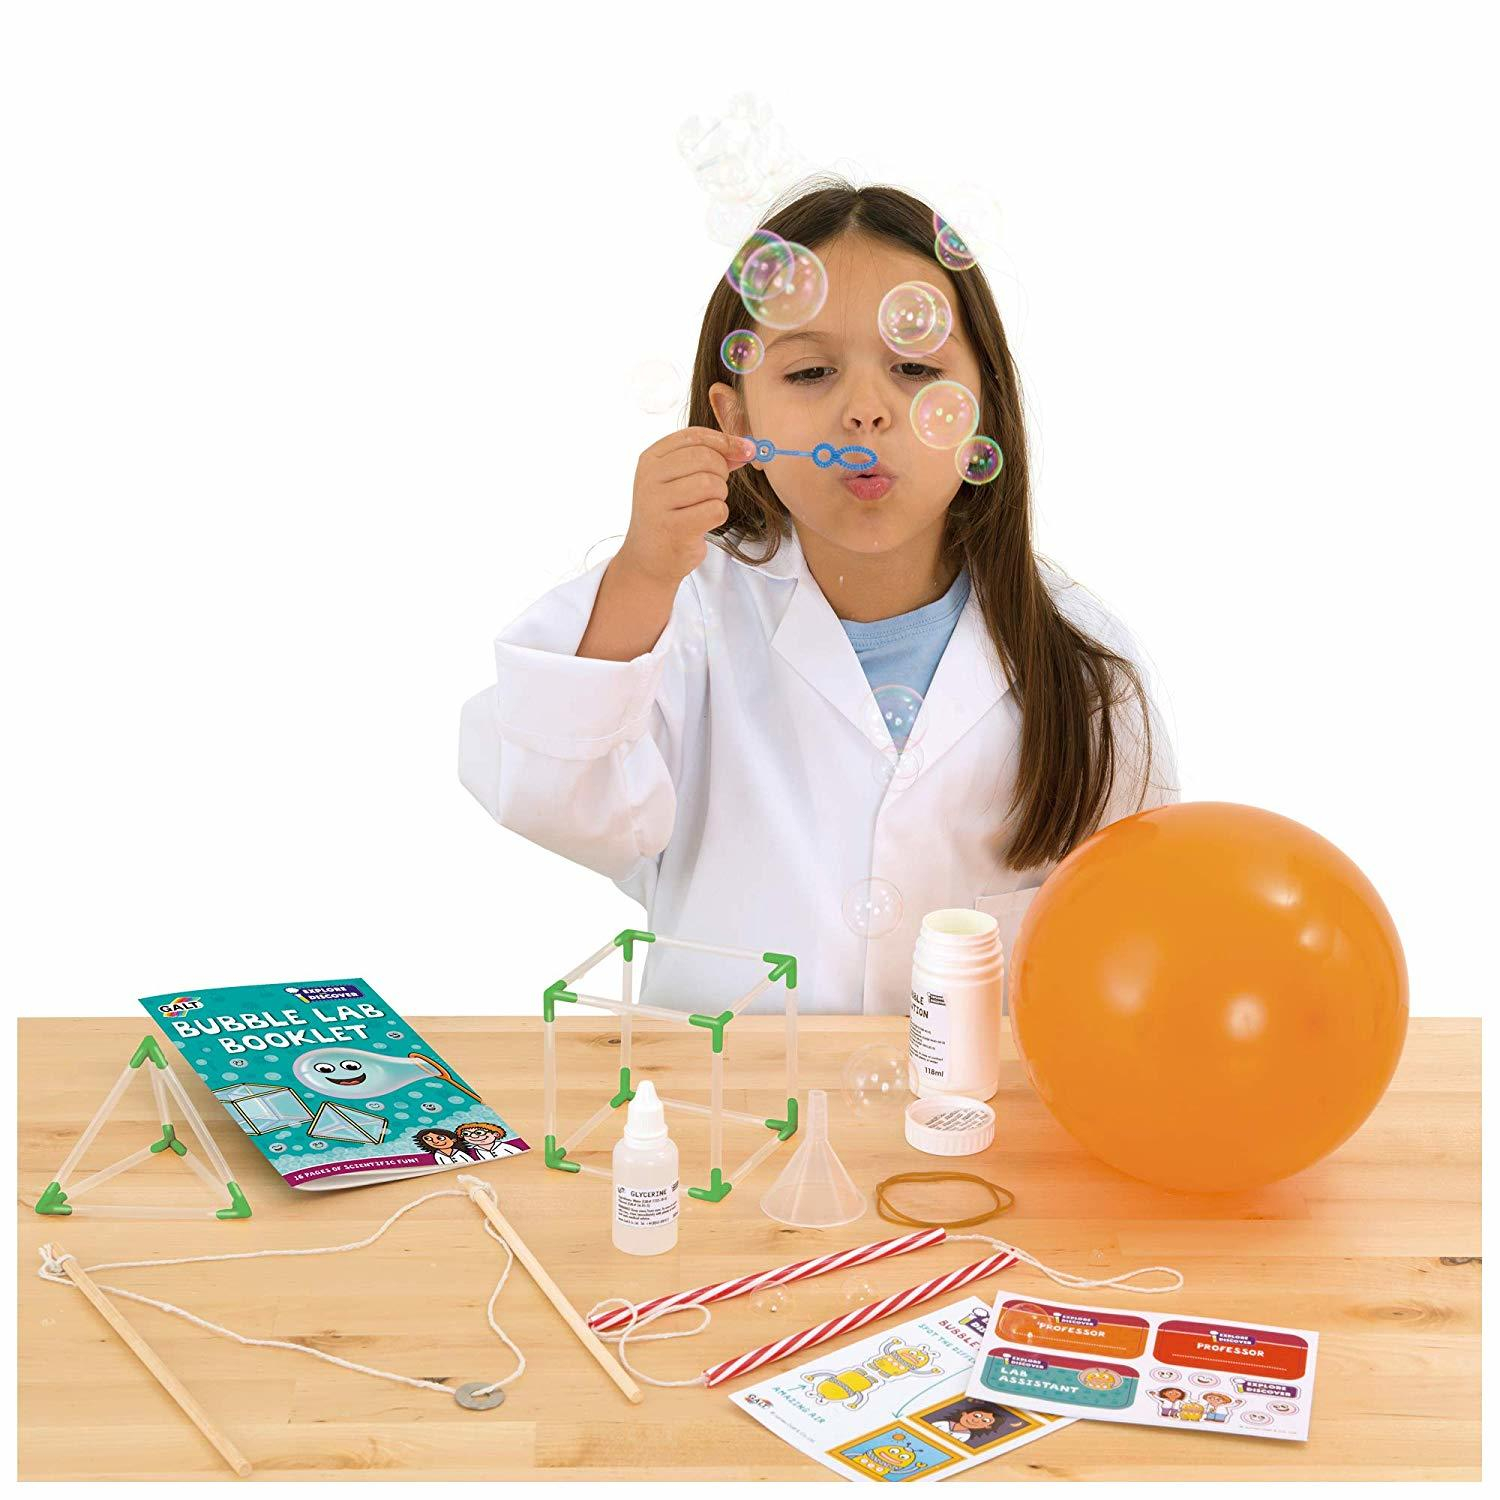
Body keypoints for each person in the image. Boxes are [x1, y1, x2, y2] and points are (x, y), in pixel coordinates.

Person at [459, 179, 1179, 1016]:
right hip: (722, 1093)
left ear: (981, 408)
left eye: (916, 368)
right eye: (810, 371)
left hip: (978, 1100)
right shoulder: (684, 615)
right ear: (736, 421)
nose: (865, 412)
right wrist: (645, 572)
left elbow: (1139, 925)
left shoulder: (1081, 664)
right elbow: (558, 796)